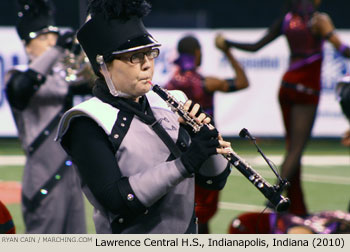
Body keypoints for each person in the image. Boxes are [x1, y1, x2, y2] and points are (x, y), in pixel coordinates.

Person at [55, 0, 232, 234]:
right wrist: (185, 163)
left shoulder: (171, 101)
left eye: (150, 53)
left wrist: (207, 145)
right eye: (134, 57)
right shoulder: (86, 121)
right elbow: (118, 200)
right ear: (103, 65)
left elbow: (214, 181)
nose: (147, 65)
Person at [216, 0, 350, 216]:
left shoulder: (286, 20)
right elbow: (344, 50)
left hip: (286, 85)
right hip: (306, 88)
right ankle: (273, 198)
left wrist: (227, 42)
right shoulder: (319, 20)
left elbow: (255, 47)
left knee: (292, 148)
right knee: (296, 150)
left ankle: (296, 208)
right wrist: (332, 33)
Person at [5, 0, 88, 233]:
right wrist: (57, 50)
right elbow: (22, 90)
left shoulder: (63, 78)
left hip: (72, 177)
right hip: (43, 177)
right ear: (27, 46)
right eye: (43, 38)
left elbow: (95, 85)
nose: (51, 41)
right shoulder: (16, 76)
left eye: (53, 36)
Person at [165, 35, 249, 233]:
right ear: (197, 53)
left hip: (181, 153)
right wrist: (228, 52)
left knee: (186, 209)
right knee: (202, 213)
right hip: (207, 154)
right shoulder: (208, 83)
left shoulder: (168, 87)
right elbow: (243, 82)